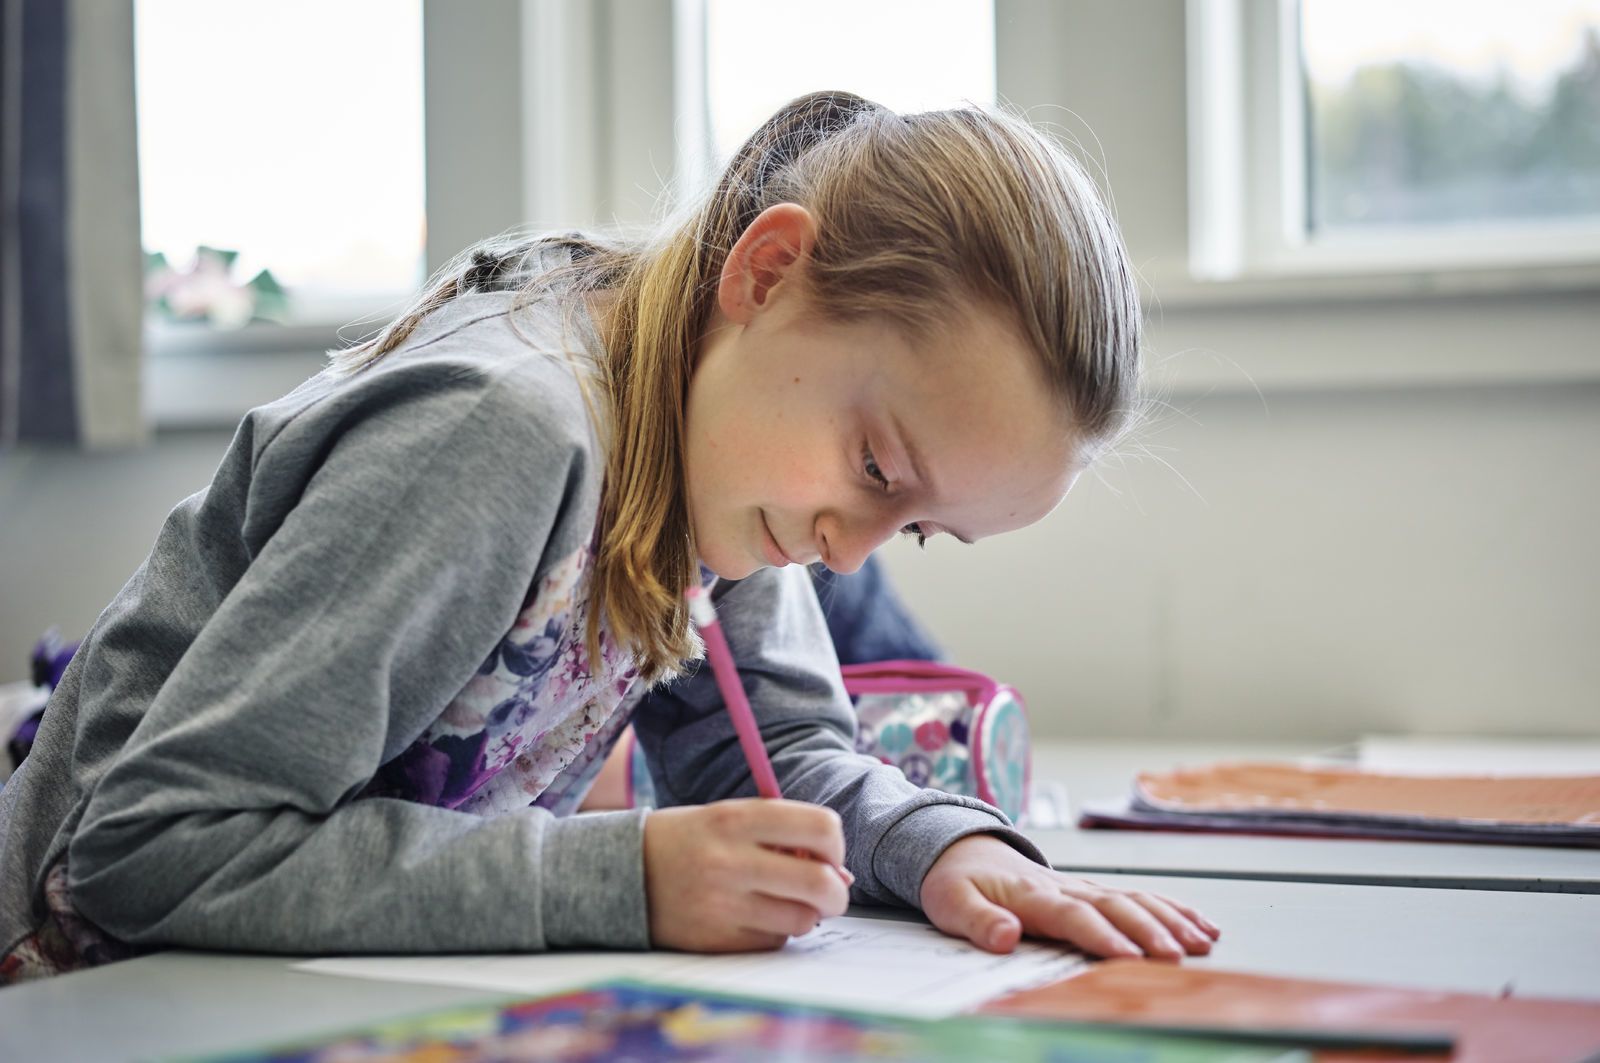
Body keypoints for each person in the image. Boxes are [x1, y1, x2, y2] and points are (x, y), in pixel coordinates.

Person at [0, 91, 1218, 982]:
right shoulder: (505, 433)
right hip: (72, 984)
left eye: (919, 529)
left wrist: (935, 843)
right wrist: (618, 879)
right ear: (770, 271)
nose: (853, 554)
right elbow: (150, 849)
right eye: (877, 470)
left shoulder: (722, 458)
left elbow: (773, 753)